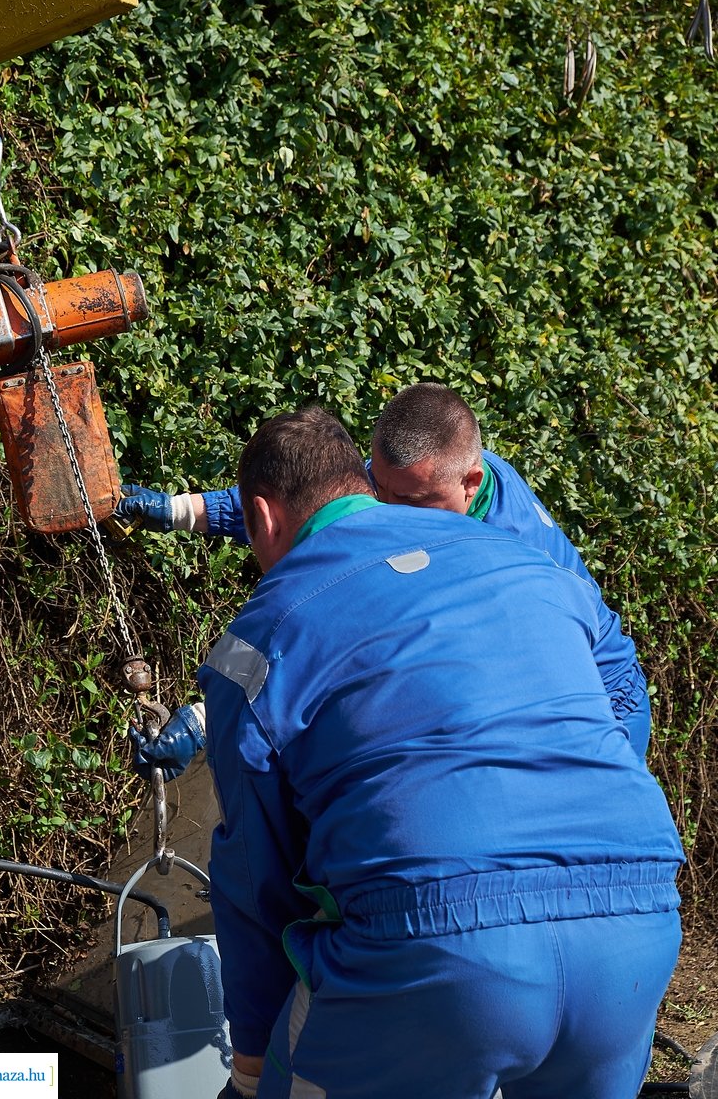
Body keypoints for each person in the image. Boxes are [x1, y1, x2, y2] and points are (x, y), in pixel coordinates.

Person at [132, 406, 683, 1099]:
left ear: (263, 519)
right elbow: (614, 670)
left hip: (436, 945)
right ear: (364, 481)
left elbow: (252, 878)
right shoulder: (524, 556)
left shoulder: (251, 640)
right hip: (636, 917)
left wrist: (248, 1069)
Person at [118, 383, 651, 758]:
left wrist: (208, 719)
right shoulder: (430, 484)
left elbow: (342, 656)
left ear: (469, 483)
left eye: (409, 502)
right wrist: (177, 510)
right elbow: (311, 502)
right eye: (377, 487)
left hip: (596, 714)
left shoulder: (510, 566)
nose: (379, 514)